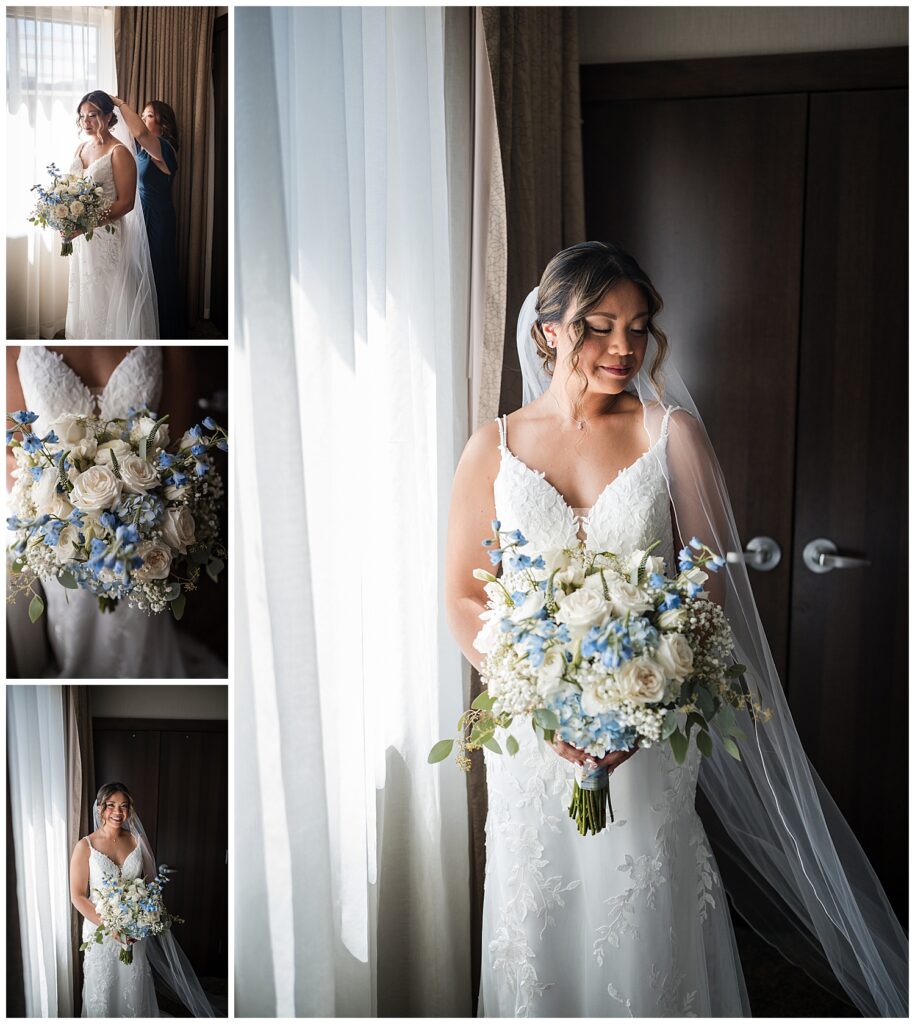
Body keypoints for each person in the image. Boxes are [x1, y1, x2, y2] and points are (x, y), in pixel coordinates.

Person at [444, 242, 907, 1016]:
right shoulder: (492, 446)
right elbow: (461, 596)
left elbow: (705, 596)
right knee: (538, 923)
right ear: (549, 330)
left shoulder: (672, 435)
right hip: (534, 738)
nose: (624, 347)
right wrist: (538, 696)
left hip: (647, 723)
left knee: (642, 912)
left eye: (637, 326)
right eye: (599, 326)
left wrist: (636, 708)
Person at [5, 345, 225, 679]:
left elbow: (177, 445)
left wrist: (144, 512)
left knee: (139, 630)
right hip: (60, 531)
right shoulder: (12, 334)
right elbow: (12, 454)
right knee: (75, 627)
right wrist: (67, 515)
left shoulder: (169, 336)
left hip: (146, 529)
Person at [69, 783, 214, 1017]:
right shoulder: (85, 846)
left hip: (134, 931)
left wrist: (142, 919)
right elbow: (77, 895)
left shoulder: (137, 841)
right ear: (100, 809)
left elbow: (151, 888)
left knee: (132, 986)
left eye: (124, 806)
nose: (118, 812)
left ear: (130, 811)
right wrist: (110, 926)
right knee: (102, 991)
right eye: (111, 806)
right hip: (101, 931)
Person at [66, 92, 158, 339]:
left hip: (107, 236)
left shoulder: (119, 152)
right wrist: (64, 215)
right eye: (82, 116)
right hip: (82, 238)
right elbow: (70, 190)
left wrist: (86, 223)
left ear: (108, 116)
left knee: (109, 293)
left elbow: (126, 203)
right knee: (86, 290)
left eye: (93, 115)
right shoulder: (81, 147)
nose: (86, 121)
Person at [110, 97, 187, 339]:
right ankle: (147, 326)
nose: (143, 120)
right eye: (142, 115)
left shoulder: (164, 148)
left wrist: (120, 104)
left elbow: (141, 133)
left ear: (164, 124)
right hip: (141, 217)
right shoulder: (142, 152)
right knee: (141, 273)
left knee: (159, 274)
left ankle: (168, 332)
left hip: (158, 218)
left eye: (149, 115)